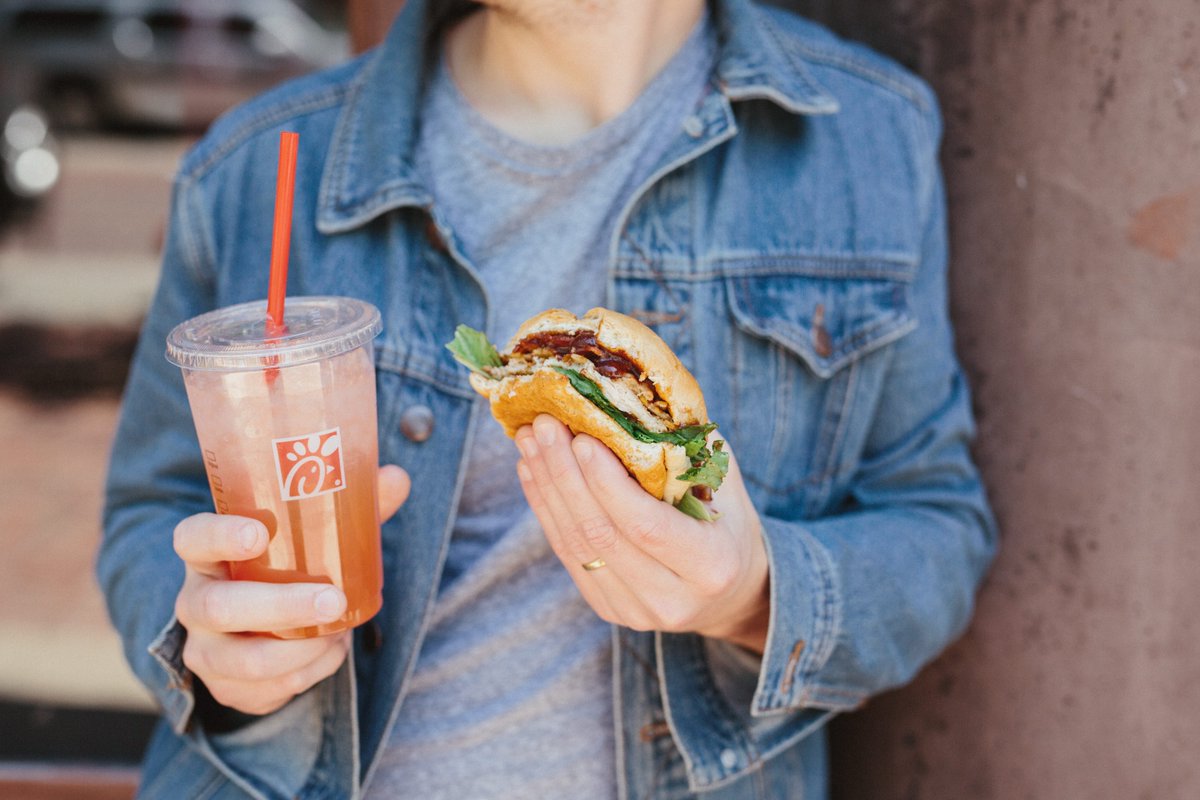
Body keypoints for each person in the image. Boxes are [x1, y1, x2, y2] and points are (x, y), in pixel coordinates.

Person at [100, 0, 997, 797]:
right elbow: (151, 508)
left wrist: (755, 593)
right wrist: (215, 648)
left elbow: (935, 521)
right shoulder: (251, 172)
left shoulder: (867, 137)